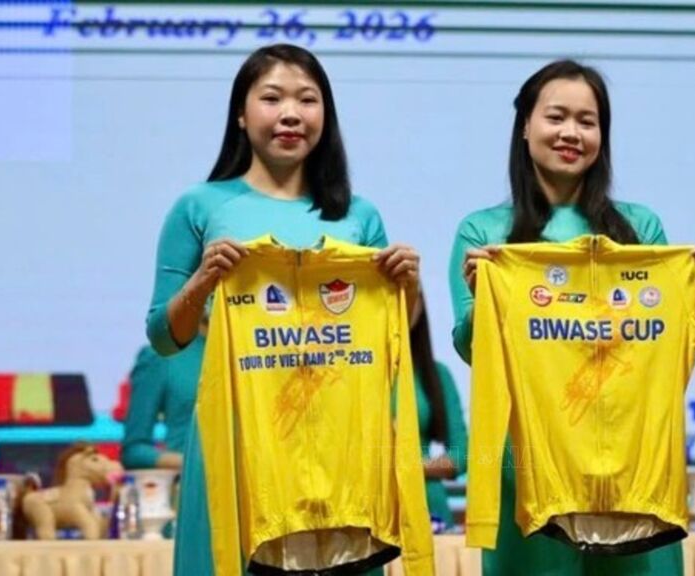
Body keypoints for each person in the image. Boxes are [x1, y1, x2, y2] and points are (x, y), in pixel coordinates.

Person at [449, 60, 695, 576]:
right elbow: (476, 352)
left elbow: (662, 352)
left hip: (631, 471)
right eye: (556, 117)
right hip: (529, 470)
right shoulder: (484, 234)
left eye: (587, 121)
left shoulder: (640, 227)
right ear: (525, 126)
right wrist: (485, 300)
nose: (571, 133)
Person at [144, 43, 420, 576]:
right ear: (241, 115)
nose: (291, 113)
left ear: (325, 116)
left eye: (307, 100)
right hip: (238, 437)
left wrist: (409, 286)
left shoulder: (359, 215)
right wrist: (203, 280)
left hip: (340, 445)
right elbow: (162, 336)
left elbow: (392, 336)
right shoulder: (199, 206)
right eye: (272, 98)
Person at [409, 297, 468, 528]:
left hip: (431, 512)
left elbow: (462, 454)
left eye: (411, 295)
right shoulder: (357, 378)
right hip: (371, 514)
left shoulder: (437, 375)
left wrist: (407, 468)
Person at [120, 323, 205, 471]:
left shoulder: (247, 350)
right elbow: (134, 450)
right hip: (193, 479)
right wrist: (195, 465)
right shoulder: (163, 355)